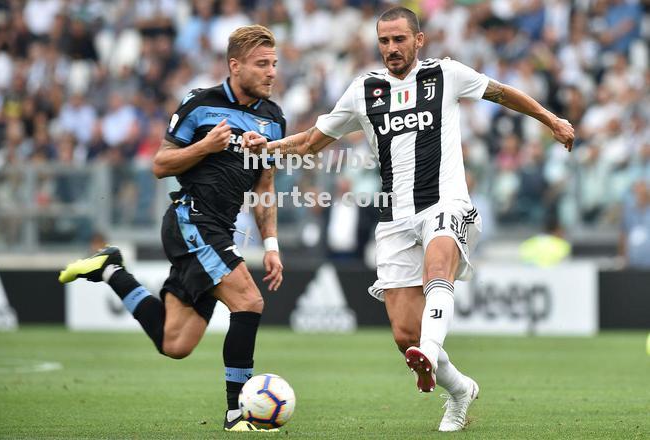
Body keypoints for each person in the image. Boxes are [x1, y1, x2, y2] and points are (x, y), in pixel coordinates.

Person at [244, 7, 574, 432]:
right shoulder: (365, 89)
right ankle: (459, 389)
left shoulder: (446, 74)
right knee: (404, 334)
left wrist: (551, 119)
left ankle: (429, 353)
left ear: (419, 41)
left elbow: (501, 92)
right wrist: (267, 147)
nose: (391, 48)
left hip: (445, 202)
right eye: (384, 41)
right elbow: (311, 142)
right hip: (394, 216)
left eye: (399, 39)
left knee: (438, 272)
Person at [59, 25, 286, 432]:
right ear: (235, 66)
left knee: (174, 343)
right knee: (249, 302)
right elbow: (161, 164)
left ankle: (110, 269)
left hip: (219, 229)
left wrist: (271, 244)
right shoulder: (201, 104)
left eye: (274, 63)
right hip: (191, 220)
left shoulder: (273, 119)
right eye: (261, 64)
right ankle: (238, 411)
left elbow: (264, 188)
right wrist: (207, 146)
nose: (272, 72)